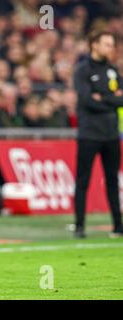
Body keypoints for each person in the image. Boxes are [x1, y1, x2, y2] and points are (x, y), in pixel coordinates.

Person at [73, 29, 123, 238]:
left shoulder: (113, 70)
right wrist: (111, 99)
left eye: (112, 44)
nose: (110, 48)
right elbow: (86, 101)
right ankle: (80, 226)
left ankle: (118, 226)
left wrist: (103, 98)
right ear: (94, 44)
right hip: (89, 133)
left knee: (112, 180)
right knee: (83, 180)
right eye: (107, 44)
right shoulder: (82, 70)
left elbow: (121, 99)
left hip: (111, 134)